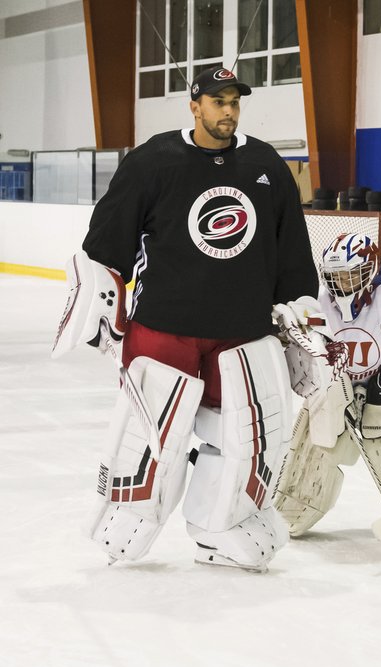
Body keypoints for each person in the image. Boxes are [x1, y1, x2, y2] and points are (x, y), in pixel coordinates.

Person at [51, 67, 318, 572]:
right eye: (217, 102)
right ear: (194, 106)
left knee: (246, 438)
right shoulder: (153, 161)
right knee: (153, 439)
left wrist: (300, 311)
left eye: (234, 102)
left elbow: (291, 251)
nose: (228, 111)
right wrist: (104, 295)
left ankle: (222, 527)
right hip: (164, 329)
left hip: (242, 333)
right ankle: (129, 519)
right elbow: (109, 240)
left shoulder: (265, 164)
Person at [271, 229, 381, 547]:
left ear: (372, 271)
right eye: (335, 276)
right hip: (334, 384)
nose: (341, 283)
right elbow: (315, 342)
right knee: (312, 447)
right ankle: (291, 512)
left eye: (351, 274)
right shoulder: (320, 299)